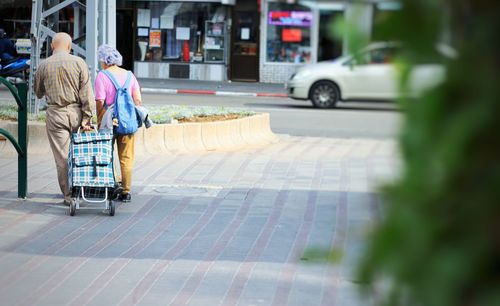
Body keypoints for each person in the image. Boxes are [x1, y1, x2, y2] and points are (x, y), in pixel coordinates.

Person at [34, 32, 93, 206]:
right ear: (69, 46)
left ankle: (69, 195)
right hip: (76, 113)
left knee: (62, 158)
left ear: (52, 46)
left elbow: (37, 93)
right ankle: (84, 188)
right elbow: (87, 95)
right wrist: (87, 118)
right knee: (80, 154)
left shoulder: (44, 65)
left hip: (55, 114)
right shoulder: (79, 63)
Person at [95, 44, 142, 202]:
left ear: (104, 61)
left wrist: (99, 120)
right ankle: (126, 191)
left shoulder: (102, 75)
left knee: (106, 155)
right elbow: (137, 100)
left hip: (109, 121)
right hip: (127, 121)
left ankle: (112, 186)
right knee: (126, 157)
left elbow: (100, 101)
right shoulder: (129, 75)